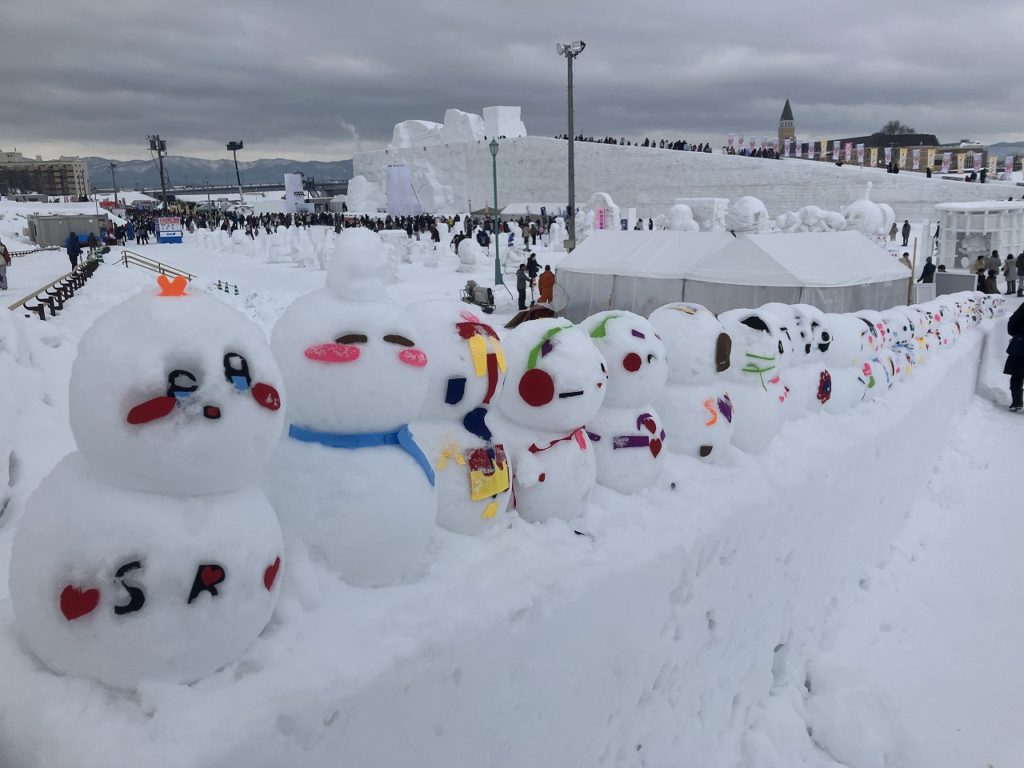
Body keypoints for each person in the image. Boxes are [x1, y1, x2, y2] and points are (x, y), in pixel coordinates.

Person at [1004, 301, 1024, 411]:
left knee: (1017, 374)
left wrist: (1015, 334)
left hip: (1022, 344)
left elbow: (1013, 322)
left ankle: (1017, 402)